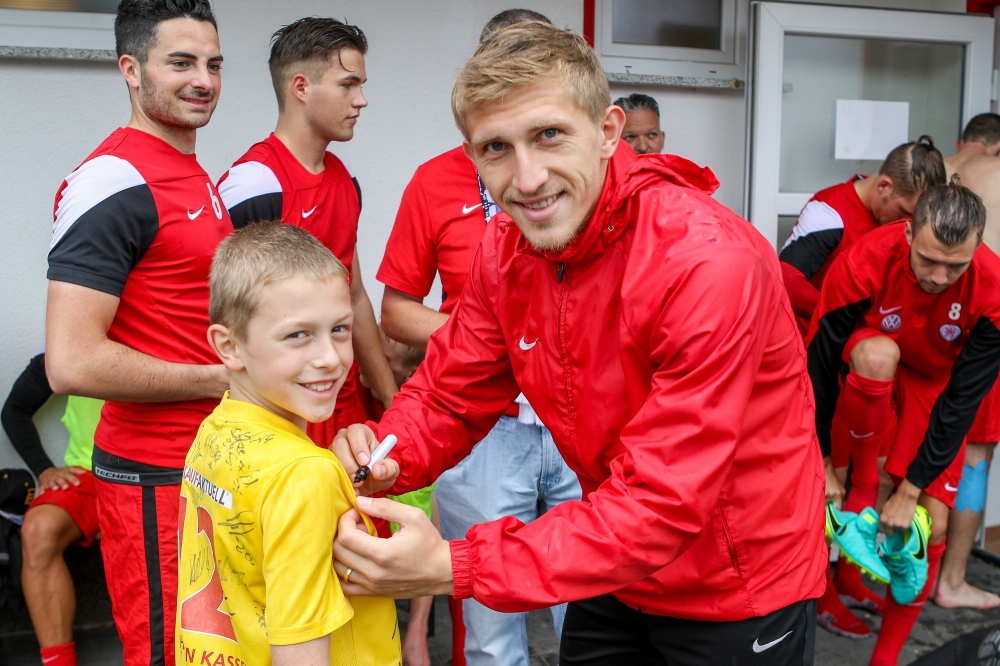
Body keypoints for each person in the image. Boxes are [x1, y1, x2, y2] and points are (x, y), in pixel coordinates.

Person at [331, 21, 826, 665]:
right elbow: (450, 395)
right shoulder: (507, 251)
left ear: (608, 132)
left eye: (549, 135)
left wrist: (456, 564)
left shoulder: (704, 261)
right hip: (614, 561)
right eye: (497, 148)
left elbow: (662, 502)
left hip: (737, 584)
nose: (528, 177)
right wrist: (384, 458)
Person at [377, 10, 581, 666]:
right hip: (484, 427)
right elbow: (396, 313)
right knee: (491, 631)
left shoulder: (584, 175)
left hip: (577, 420)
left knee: (592, 618)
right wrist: (497, 340)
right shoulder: (435, 179)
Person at [42, 2, 231, 664]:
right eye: (181, 63)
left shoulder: (190, 170)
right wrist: (222, 378)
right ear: (131, 69)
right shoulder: (112, 179)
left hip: (207, 465)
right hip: (155, 478)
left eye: (212, 64)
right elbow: (71, 362)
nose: (203, 80)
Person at [176, 221, 399, 666]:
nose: (330, 358)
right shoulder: (304, 475)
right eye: (298, 335)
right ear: (229, 346)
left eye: (340, 329)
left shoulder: (214, 429)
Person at [806, 182, 1000, 666]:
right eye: (928, 260)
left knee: (931, 527)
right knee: (876, 354)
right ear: (908, 232)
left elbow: (962, 402)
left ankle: (885, 660)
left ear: (977, 247)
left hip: (937, 381)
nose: (939, 277)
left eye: (956, 266)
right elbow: (819, 365)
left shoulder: (994, 289)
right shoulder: (863, 261)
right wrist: (823, 460)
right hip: (869, 363)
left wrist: (910, 490)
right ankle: (863, 485)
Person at [780, 138, 945, 638]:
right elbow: (783, 277)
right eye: (907, 213)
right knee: (823, 484)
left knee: (870, 475)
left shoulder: (909, 235)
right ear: (885, 186)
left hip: (876, 368)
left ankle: (851, 575)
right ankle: (820, 594)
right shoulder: (830, 212)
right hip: (823, 363)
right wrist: (843, 315)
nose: (909, 227)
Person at [217, 17, 397, 451]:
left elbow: (354, 294)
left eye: (361, 85)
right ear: (301, 87)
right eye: (348, 85)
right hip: (282, 415)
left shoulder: (345, 178)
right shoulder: (254, 183)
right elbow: (224, 315)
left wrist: (392, 400)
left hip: (342, 402)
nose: (361, 100)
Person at [935, 113, 1000, 610]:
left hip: (925, 323)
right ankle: (951, 581)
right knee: (974, 456)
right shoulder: (995, 174)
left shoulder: (935, 165)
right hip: (983, 322)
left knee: (919, 440)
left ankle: (896, 569)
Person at [1, 352, 103, 666]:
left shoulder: (171, 338)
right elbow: (14, 410)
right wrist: (44, 469)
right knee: (37, 529)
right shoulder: (71, 350)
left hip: (163, 475)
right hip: (91, 475)